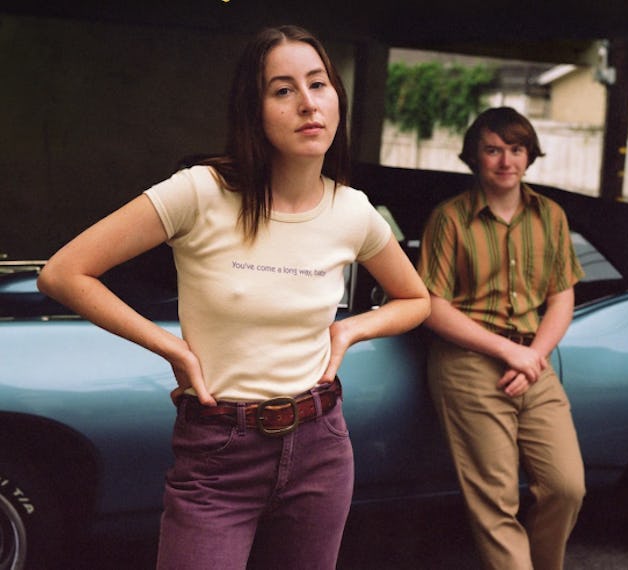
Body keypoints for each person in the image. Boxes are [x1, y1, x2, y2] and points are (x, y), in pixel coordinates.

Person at [38, 25, 430, 570]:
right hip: (218, 449)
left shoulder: (353, 211)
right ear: (255, 108)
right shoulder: (200, 192)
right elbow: (64, 273)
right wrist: (173, 349)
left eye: (318, 84)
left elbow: (416, 299)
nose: (307, 104)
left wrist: (350, 328)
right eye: (283, 90)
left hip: (320, 443)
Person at [418, 107, 585, 570]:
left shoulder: (550, 217)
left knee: (567, 485)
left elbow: (561, 296)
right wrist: (508, 350)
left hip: (533, 361)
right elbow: (432, 305)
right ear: (475, 157)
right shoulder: (449, 219)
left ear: (530, 155)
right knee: (495, 499)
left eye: (516, 149)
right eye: (493, 150)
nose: (505, 161)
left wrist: (532, 355)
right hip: (468, 361)